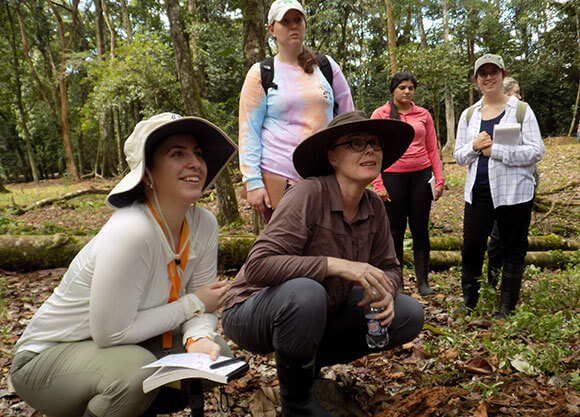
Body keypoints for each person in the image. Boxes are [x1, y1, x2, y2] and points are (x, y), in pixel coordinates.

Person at [10, 113, 238, 417]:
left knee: (215, 354)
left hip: (128, 345)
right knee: (134, 373)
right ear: (147, 174)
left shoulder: (204, 225)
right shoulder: (131, 230)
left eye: (197, 153)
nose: (194, 162)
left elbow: (203, 307)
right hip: (47, 358)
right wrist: (192, 304)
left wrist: (197, 336)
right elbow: (112, 334)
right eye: (177, 153)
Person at [222, 111, 425, 416]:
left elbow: (390, 268)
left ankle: (305, 367)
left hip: (322, 305)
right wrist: (336, 265)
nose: (369, 150)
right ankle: (297, 402)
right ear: (333, 156)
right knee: (306, 292)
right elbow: (258, 266)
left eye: (374, 143)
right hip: (251, 309)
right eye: (356, 144)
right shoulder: (309, 194)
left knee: (409, 314)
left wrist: (387, 291)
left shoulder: (373, 206)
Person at [239, 0, 354, 222]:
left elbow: (348, 119)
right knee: (287, 253)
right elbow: (249, 131)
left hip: (326, 177)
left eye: (298, 20)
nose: (293, 26)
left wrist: (350, 170)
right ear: (272, 29)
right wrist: (252, 182)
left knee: (326, 248)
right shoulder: (261, 73)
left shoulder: (326, 67)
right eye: (285, 21)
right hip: (280, 180)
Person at [454, 54, 544, 318]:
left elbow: (536, 150)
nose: (489, 77)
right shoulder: (469, 115)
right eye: (483, 73)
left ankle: (506, 306)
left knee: (513, 247)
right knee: (472, 246)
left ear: (504, 75)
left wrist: (499, 151)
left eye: (494, 72)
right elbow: (459, 156)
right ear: (476, 80)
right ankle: (469, 301)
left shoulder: (521, 110)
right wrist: (475, 146)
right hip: (478, 192)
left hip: (514, 193)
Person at [370, 72, 445, 296]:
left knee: (420, 229)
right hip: (393, 177)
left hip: (421, 177)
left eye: (410, 87)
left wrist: (439, 179)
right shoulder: (380, 115)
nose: (406, 91)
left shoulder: (423, 114)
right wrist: (378, 184)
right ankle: (397, 283)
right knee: (395, 231)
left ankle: (423, 282)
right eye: (402, 87)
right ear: (393, 90)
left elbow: (432, 148)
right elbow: (372, 151)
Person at [486, 76, 524, 287]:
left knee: (511, 240)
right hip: (496, 188)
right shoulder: (486, 116)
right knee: (498, 237)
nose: (519, 96)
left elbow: (534, 151)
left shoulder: (523, 114)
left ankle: (504, 288)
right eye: (516, 92)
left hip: (519, 188)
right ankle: (492, 282)